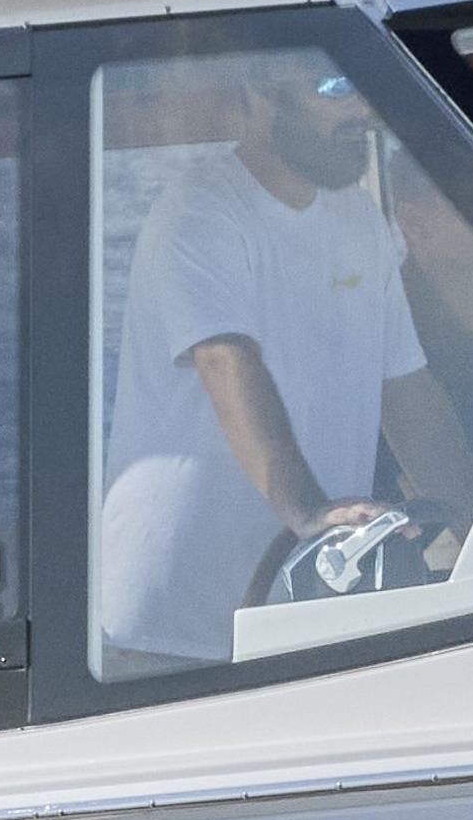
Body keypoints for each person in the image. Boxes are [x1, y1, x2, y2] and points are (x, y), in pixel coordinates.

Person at [88, 49, 431, 670]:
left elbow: (405, 388)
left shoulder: (360, 220)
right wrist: (311, 513)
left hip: (297, 605)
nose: (360, 106)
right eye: (334, 86)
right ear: (259, 93)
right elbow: (226, 363)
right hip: (169, 620)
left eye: (362, 84)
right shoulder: (202, 212)